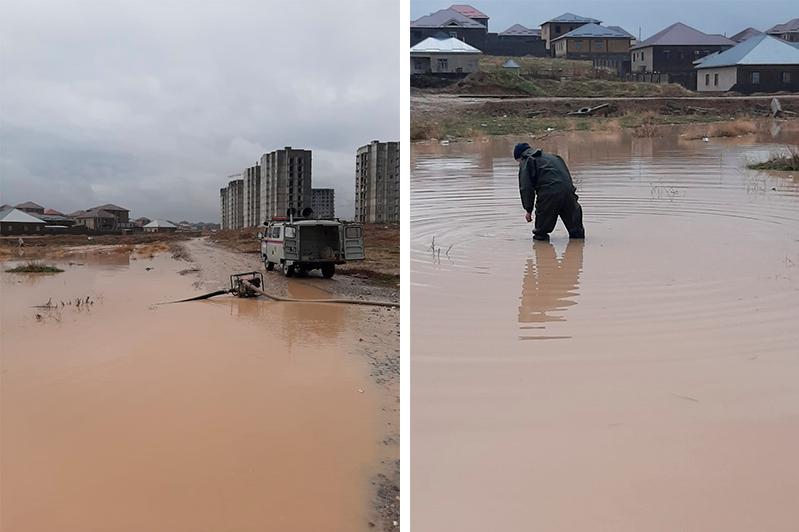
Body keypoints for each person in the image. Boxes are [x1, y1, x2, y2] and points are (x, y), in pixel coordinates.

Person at [515, 142, 585, 241]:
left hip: (549, 194)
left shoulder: (527, 160)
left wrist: (528, 210)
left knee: (541, 233)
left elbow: (526, 188)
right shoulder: (554, 157)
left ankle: (541, 249)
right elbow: (566, 176)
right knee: (576, 231)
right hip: (568, 192)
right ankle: (578, 248)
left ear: (520, 157)